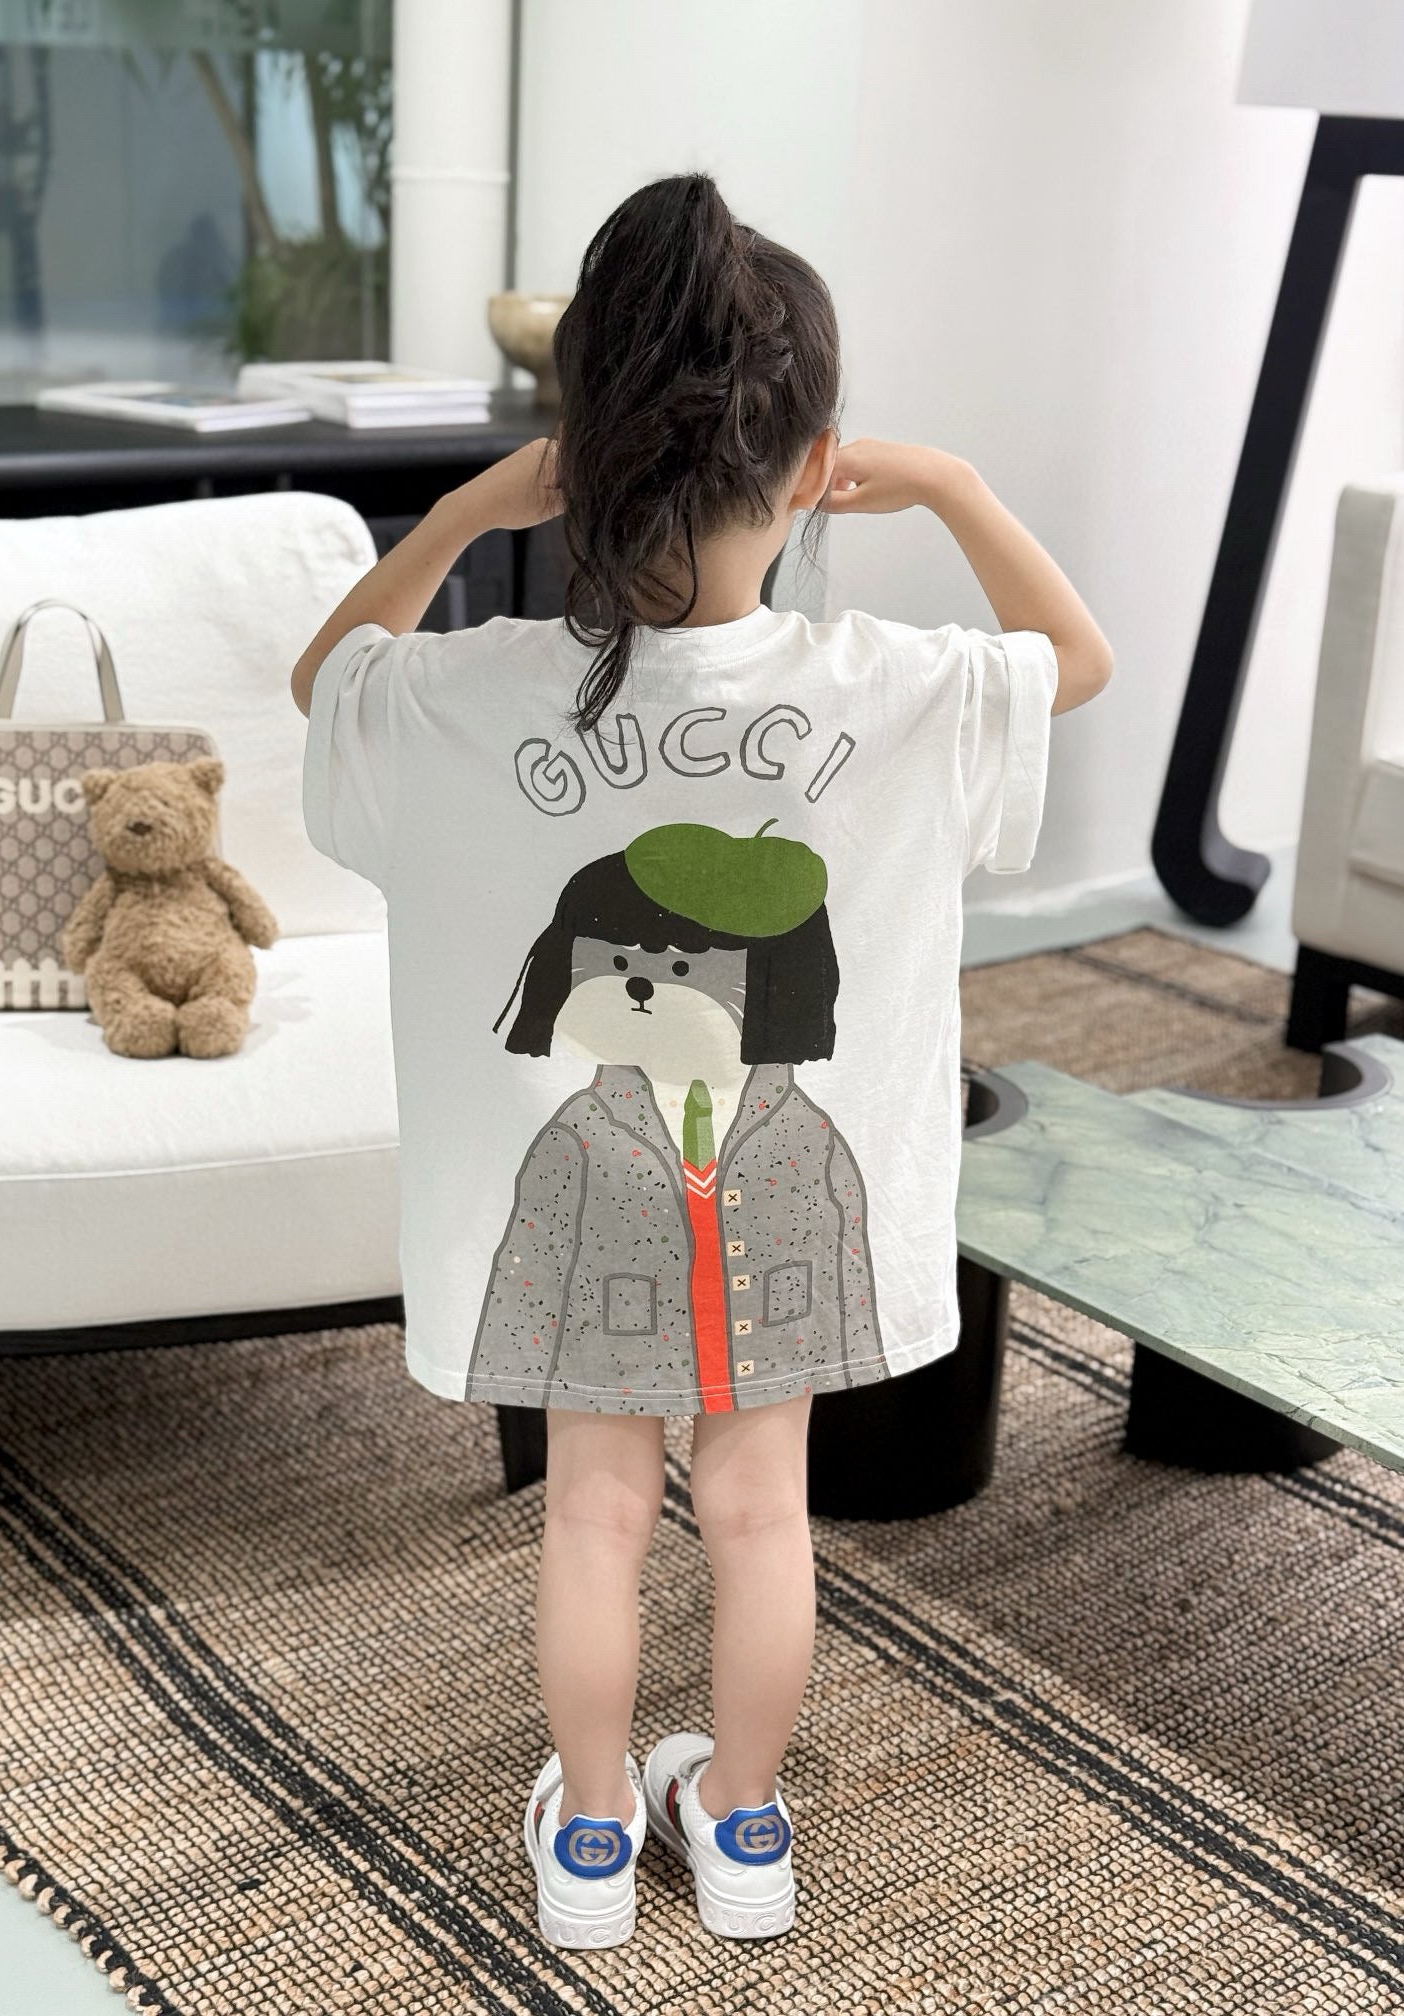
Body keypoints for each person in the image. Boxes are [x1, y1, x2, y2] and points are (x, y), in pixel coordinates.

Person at [292, 171, 1112, 1952]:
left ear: (579, 457)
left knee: (593, 1515)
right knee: (758, 1512)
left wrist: (466, 510)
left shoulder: (476, 691)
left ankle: (592, 1839)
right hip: (783, 1178)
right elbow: (1076, 658)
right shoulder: (887, 683)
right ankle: (740, 1824)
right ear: (812, 465)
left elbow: (325, 679)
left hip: (587, 1182)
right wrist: (954, 486)